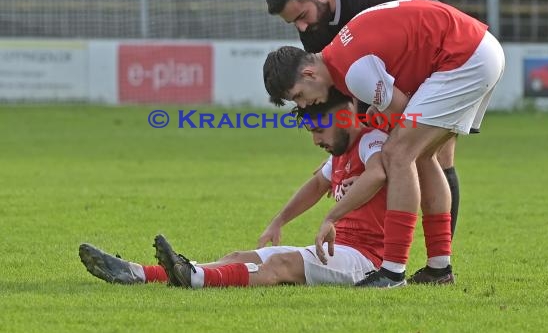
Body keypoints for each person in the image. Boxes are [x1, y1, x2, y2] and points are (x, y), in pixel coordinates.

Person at [262, 0, 505, 287]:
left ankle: (392, 272)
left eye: (299, 95)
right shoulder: (341, 54)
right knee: (423, 154)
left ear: (309, 73)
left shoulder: (353, 72)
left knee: (399, 153)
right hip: (476, 48)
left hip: (464, 57)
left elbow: (400, 114)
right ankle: (439, 269)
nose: (305, 103)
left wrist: (366, 169)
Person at [80, 91, 399, 288]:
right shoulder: (341, 150)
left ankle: (196, 279)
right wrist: (278, 221)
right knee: (239, 256)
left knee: (278, 266)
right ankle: (139, 273)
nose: (316, 140)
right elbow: (317, 184)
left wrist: (331, 217)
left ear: (343, 115)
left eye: (318, 130)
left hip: (366, 261)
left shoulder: (370, 140)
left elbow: (377, 175)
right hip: (340, 250)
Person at [266, 0, 463, 241]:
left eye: (301, 16)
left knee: (431, 155)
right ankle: (419, 259)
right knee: (402, 155)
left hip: (439, 64)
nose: (301, 27)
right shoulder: (312, 31)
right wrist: (344, 153)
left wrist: (379, 142)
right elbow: (334, 90)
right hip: (388, 85)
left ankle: (440, 257)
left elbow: (403, 50)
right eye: (293, 23)